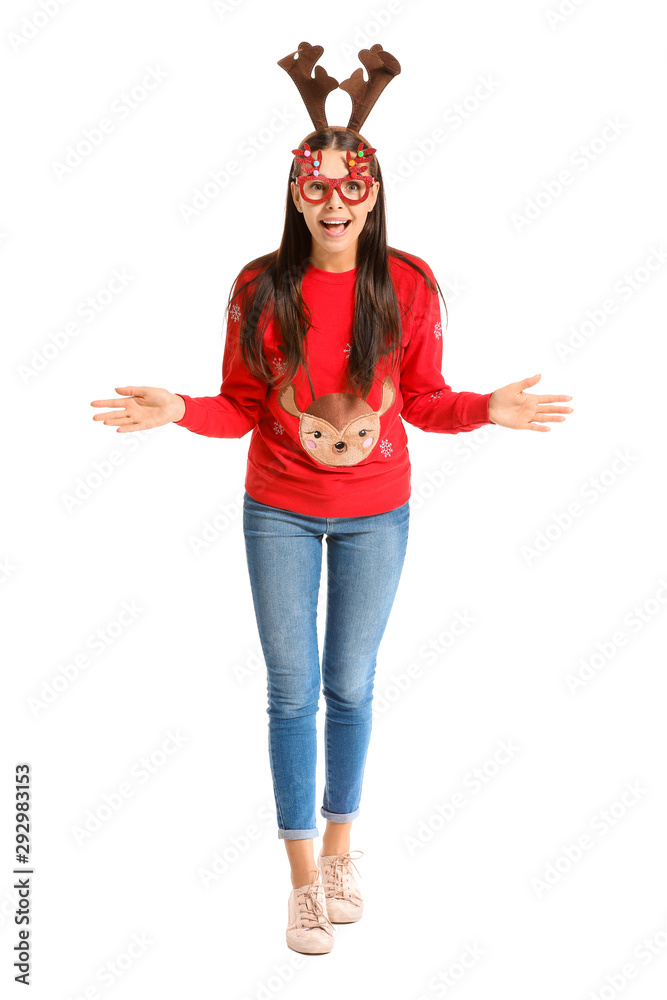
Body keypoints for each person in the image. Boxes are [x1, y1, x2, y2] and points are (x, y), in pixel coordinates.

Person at [90, 44, 573, 956]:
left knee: (349, 685)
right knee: (291, 692)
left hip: (375, 515)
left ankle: (346, 849)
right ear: (294, 192)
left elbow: (422, 400)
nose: (335, 202)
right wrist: (176, 409)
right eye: (318, 186)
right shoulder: (258, 287)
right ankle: (304, 881)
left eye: (352, 186)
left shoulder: (409, 285)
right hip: (276, 507)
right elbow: (238, 408)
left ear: (375, 192)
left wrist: (487, 409)